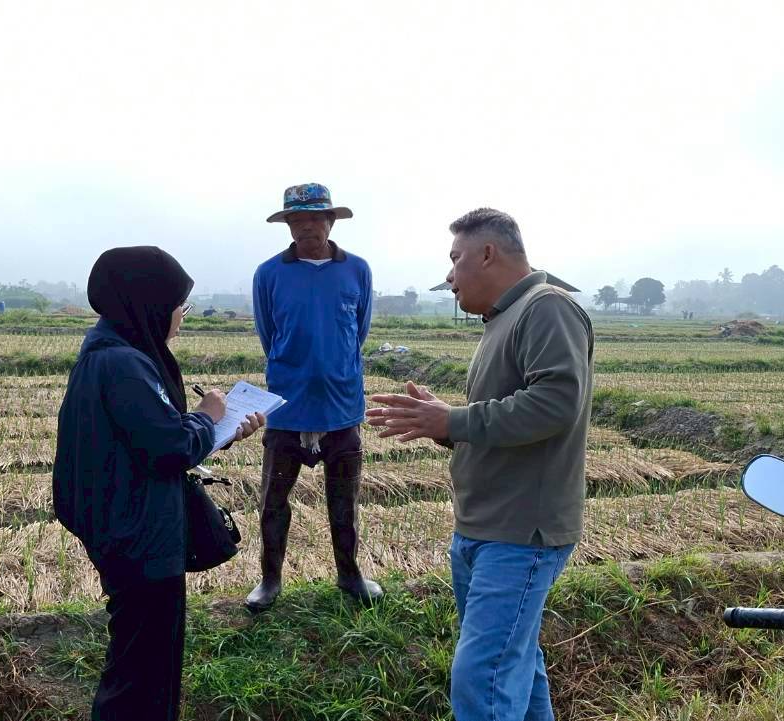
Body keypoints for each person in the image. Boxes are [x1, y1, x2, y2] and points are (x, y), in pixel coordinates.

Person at [367, 208, 594, 721]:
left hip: (520, 532)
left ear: (487, 254)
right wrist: (442, 424)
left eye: (455, 259)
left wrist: (454, 421)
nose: (448, 277)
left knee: (483, 679)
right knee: (514, 665)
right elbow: (504, 425)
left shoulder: (546, 308)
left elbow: (556, 405)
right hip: (482, 527)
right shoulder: (503, 319)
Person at [53, 246, 264, 721]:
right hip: (140, 536)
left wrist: (216, 433)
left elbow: (146, 440)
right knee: (141, 673)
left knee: (144, 665)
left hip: (126, 527)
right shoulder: (124, 365)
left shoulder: (107, 353)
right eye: (178, 306)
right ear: (147, 304)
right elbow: (168, 447)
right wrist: (208, 417)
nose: (181, 318)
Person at [247, 182, 380, 612]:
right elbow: (270, 336)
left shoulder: (357, 270)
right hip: (287, 408)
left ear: (331, 221)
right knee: (274, 499)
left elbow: (358, 333)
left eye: (315, 218)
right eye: (297, 220)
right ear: (287, 226)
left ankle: (350, 574)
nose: (307, 227)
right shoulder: (268, 274)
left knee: (344, 500)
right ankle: (269, 580)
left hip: (343, 408)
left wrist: (333, 367)